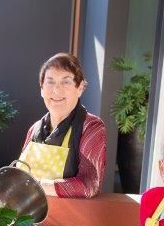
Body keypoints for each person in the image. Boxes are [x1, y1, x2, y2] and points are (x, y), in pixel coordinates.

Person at [20, 52, 107, 198]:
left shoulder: (91, 128)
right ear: (41, 89)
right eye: (50, 81)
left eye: (65, 82)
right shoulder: (35, 129)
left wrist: (35, 185)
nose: (56, 90)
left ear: (80, 88)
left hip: (70, 218)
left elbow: (89, 185)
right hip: (28, 217)